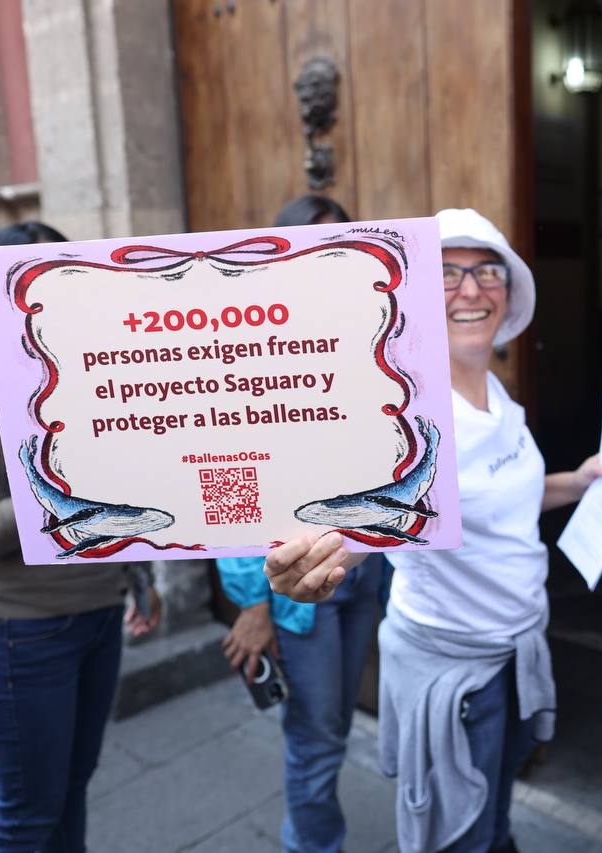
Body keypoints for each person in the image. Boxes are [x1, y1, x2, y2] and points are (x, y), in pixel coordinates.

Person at [261, 208, 602, 853]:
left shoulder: (497, 396)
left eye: (486, 271)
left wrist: (577, 483)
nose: (471, 289)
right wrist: (312, 564)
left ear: (510, 290)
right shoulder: (411, 421)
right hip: (458, 675)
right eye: (447, 274)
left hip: (516, 652)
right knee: (460, 836)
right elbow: (364, 532)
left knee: (494, 820)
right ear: (414, 293)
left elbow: (503, 503)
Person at [0, 221, 161, 851]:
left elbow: (138, 501)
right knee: (24, 819)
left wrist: (140, 578)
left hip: (98, 615)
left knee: (71, 788)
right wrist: (52, 471)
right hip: (21, 634)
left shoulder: (102, 383)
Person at [216, 194, 388, 853]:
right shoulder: (250, 345)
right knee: (316, 737)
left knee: (336, 726)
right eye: (319, 243)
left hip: (360, 576)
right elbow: (230, 492)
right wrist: (253, 602)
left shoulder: (371, 330)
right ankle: (312, 846)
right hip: (293, 591)